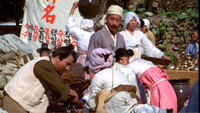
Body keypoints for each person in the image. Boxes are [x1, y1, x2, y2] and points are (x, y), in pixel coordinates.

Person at [2, 44, 79, 112]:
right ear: (58, 58)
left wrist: (49, 103)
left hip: (20, 103)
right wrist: (74, 94)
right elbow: (58, 86)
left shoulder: (48, 66)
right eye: (67, 64)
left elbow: (40, 89)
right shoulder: (45, 64)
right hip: (16, 103)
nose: (67, 68)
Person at [65, 2, 94, 67]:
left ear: (82, 24)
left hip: (82, 61)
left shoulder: (80, 34)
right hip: (93, 61)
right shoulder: (95, 35)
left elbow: (69, 24)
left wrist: (73, 8)